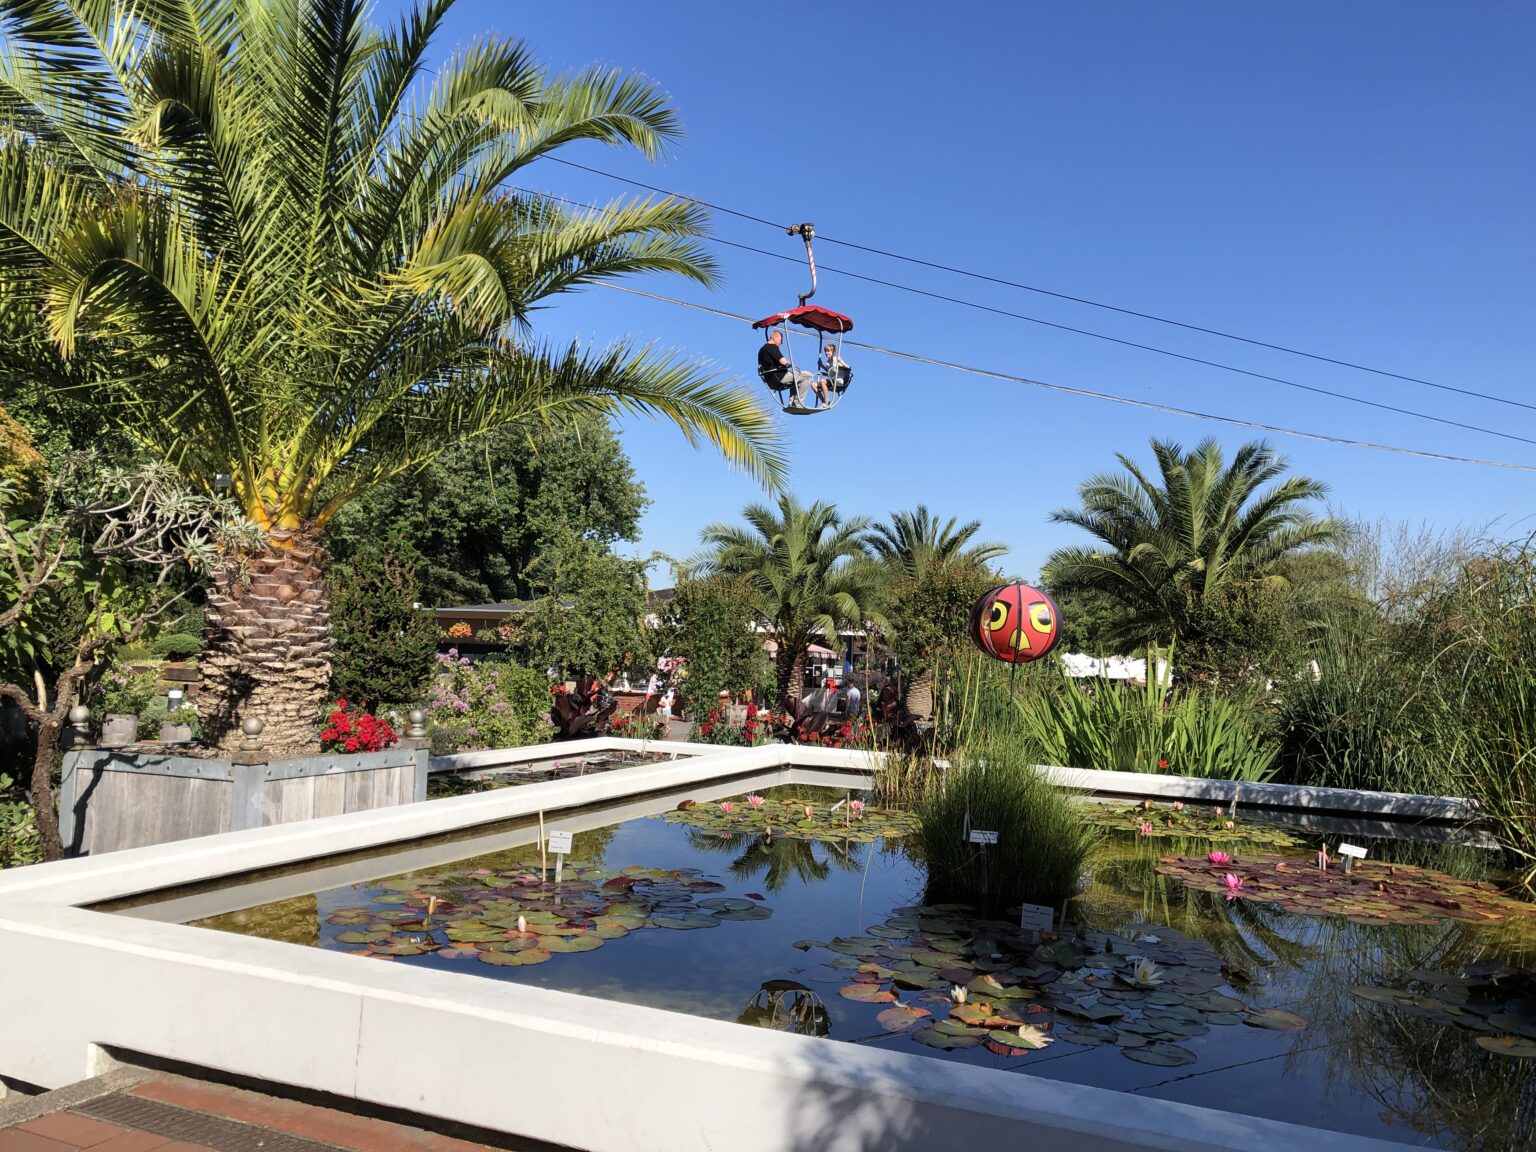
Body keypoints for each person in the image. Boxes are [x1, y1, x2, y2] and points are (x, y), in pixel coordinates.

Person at [757, 330, 818, 407]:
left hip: (770, 381)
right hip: (779, 377)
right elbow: (783, 362)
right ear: (774, 338)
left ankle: (791, 403)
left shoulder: (761, 350)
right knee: (809, 376)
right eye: (780, 340)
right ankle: (798, 402)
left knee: (797, 378)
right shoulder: (771, 347)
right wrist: (789, 362)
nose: (781, 343)